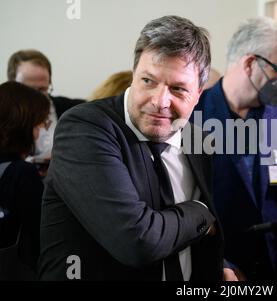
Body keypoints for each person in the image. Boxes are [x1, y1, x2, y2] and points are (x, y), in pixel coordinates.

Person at [39, 15, 231, 281]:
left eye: (177, 89)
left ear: (199, 94)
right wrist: (199, 212)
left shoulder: (199, 141)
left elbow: (191, 239)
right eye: (148, 81)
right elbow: (137, 242)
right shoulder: (83, 128)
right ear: (133, 74)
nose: (159, 101)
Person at [192, 17, 277, 280]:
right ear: (250, 64)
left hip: (276, 268)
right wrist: (219, 263)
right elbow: (181, 204)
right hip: (219, 271)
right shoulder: (193, 117)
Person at [0, 81, 50, 280]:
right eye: (41, 123)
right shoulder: (23, 173)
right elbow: (41, 235)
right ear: (24, 125)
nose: (43, 131)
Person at [7, 49, 85, 165]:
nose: (37, 96)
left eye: (43, 89)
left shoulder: (76, 109)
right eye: (29, 89)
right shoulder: (4, 117)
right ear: (12, 85)